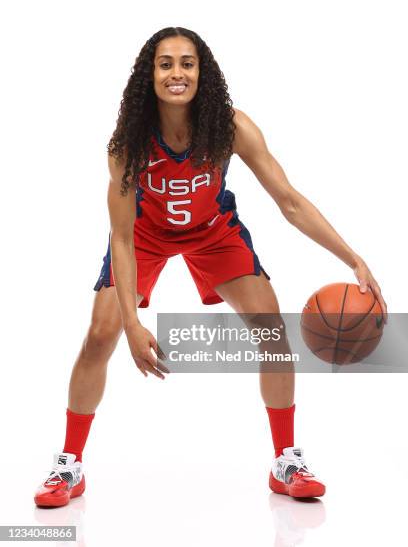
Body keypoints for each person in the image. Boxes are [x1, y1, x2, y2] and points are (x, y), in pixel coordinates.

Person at [34, 26, 387, 507]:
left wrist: (353, 258)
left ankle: (286, 461)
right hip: (145, 235)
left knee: (272, 334)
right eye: (165, 64)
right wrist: (134, 324)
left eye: (187, 63)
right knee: (101, 334)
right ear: (149, 75)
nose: (177, 72)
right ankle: (68, 466)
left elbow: (289, 201)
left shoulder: (232, 127)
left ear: (203, 72)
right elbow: (119, 235)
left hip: (212, 231)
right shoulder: (127, 145)